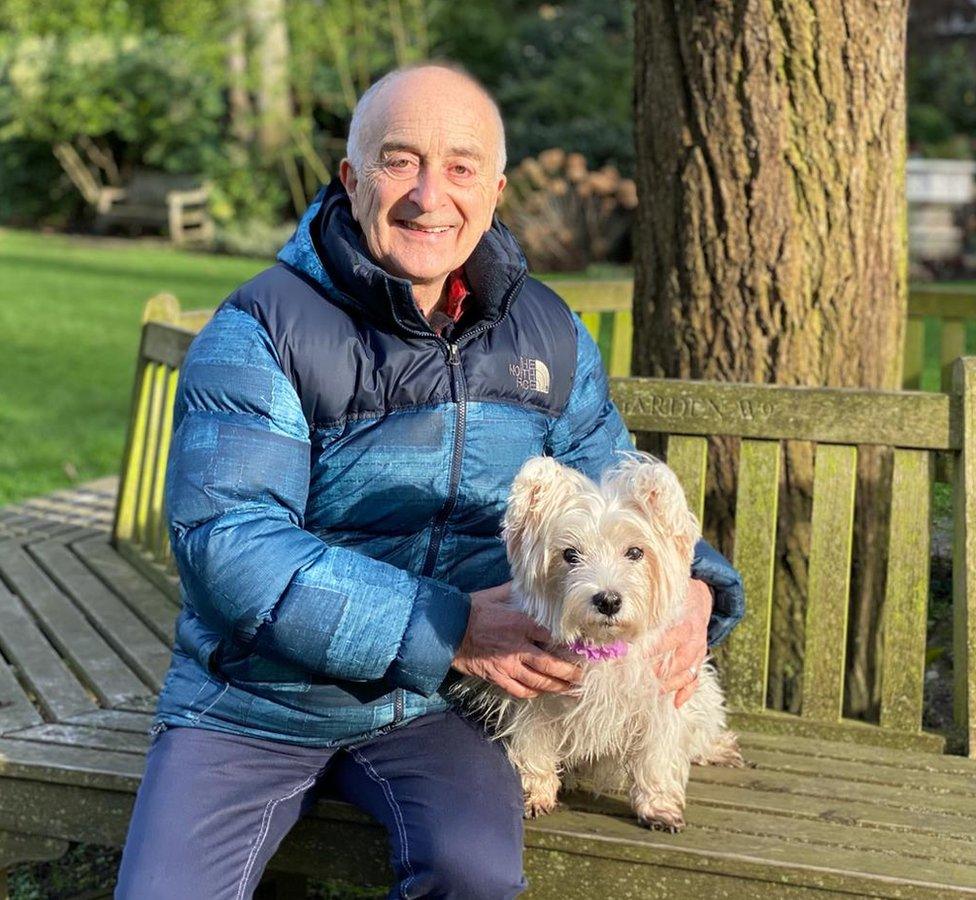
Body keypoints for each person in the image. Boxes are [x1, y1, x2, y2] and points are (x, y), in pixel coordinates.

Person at [114, 61, 744, 900]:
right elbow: (231, 548)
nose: (428, 196)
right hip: (255, 700)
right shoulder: (260, 328)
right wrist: (445, 626)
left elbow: (617, 497)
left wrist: (697, 584)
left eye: (459, 167)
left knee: (475, 874)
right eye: (399, 160)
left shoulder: (548, 335)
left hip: (445, 709)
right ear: (350, 177)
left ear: (495, 190)